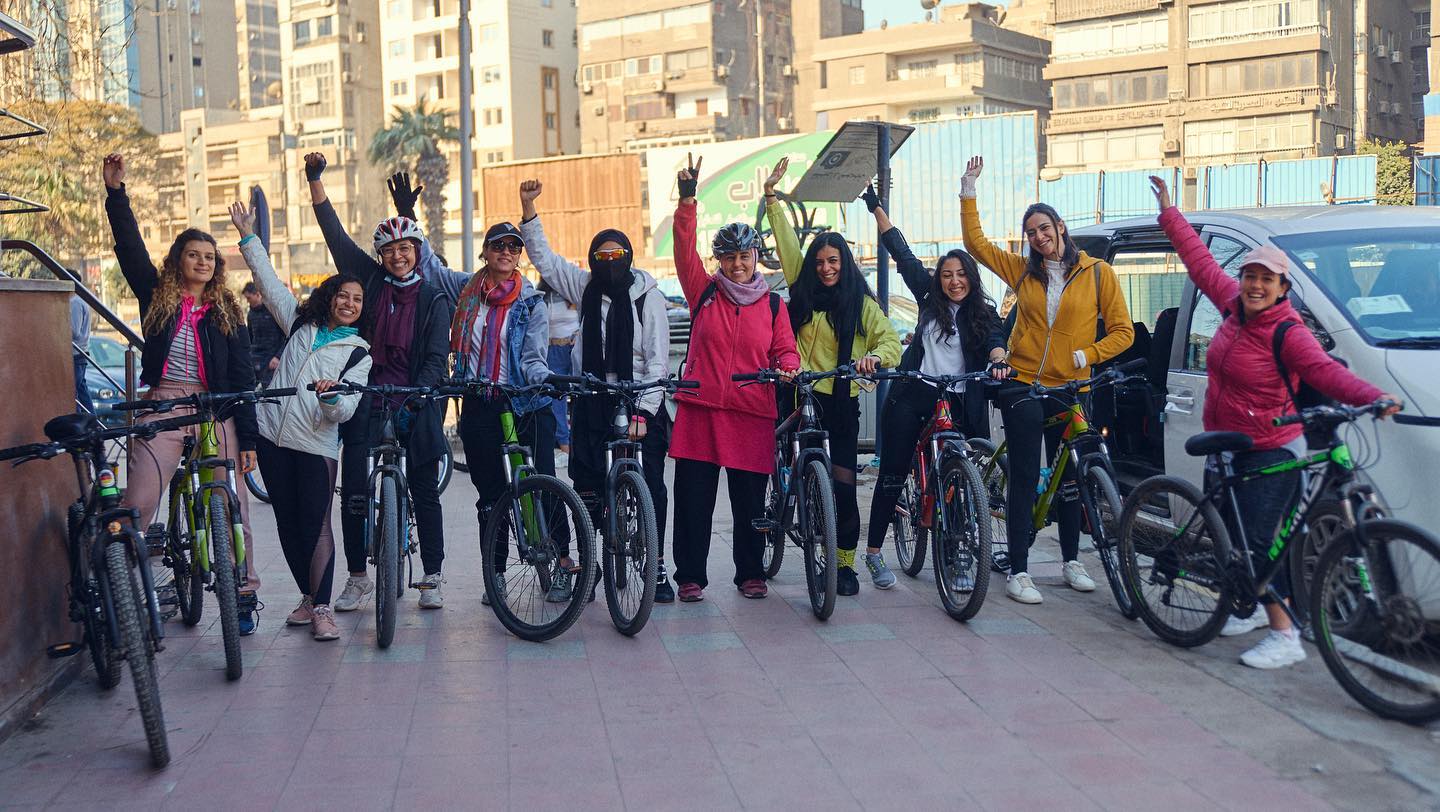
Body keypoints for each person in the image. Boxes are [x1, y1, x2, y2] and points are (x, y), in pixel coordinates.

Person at [1150, 176, 1400, 669]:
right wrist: (1169, 213)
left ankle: (1286, 636)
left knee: (1258, 543)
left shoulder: (1288, 332)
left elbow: (1325, 371)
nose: (1256, 285)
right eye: (1251, 276)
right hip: (1225, 440)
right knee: (1230, 535)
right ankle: (1248, 607)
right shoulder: (1232, 305)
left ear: (1283, 287)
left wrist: (1377, 396)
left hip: (1269, 445)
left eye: (1267, 279)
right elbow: (1200, 263)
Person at [960, 155, 1135, 606]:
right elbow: (976, 244)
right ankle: (1019, 569)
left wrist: (1088, 354)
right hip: (1023, 383)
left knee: (1073, 476)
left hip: (1071, 386)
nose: (1039, 238)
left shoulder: (1098, 273)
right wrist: (969, 189)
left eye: (1044, 228)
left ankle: (1072, 561)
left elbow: (1123, 332)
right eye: (1032, 232)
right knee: (1023, 475)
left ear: (1060, 226)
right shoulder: (1022, 270)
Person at [102, 153, 264, 633]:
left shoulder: (227, 312)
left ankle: (243, 595)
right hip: (165, 401)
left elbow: (241, 378)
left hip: (216, 409)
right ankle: (123, 593)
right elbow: (130, 248)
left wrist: (249, 441)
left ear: (217, 267)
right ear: (178, 261)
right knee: (138, 500)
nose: (202, 261)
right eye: (194, 254)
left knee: (233, 503)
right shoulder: (157, 294)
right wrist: (116, 195)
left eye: (210, 257)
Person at [304, 152, 454, 611]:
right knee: (353, 491)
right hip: (367, 397)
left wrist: (422, 393)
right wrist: (315, 181)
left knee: (425, 489)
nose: (398, 256)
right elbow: (335, 237)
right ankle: (356, 577)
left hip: (417, 396)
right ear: (380, 257)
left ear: (418, 253)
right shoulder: (368, 283)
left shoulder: (433, 297)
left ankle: (433, 574)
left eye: (406, 249)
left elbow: (434, 355)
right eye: (390, 251)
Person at [517, 180, 675, 602]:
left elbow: (659, 361)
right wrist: (529, 208)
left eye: (616, 256)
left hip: (641, 396)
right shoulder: (585, 288)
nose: (609, 263)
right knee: (585, 484)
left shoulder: (648, 296)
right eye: (601, 256)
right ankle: (590, 562)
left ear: (628, 257)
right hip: (591, 397)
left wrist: (644, 411)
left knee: (653, 485)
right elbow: (546, 263)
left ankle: (656, 566)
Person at [229, 201, 371, 641]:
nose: (349, 304)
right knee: (288, 525)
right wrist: (249, 236)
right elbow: (269, 285)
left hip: (315, 445)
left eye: (357, 300)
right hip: (273, 437)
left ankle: (324, 607)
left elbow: (345, 410)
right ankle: (308, 598)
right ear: (329, 297)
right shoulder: (299, 325)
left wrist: (331, 399)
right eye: (343, 296)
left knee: (317, 525)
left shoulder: (358, 352)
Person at [859, 184, 1010, 591]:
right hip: (916, 394)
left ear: (970, 279)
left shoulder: (983, 312)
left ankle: (958, 553)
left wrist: (998, 362)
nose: (954, 281)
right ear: (939, 279)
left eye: (961, 275)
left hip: (962, 399)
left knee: (961, 480)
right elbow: (902, 253)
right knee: (892, 473)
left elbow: (996, 341)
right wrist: (876, 208)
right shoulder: (928, 298)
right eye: (947, 275)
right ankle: (873, 554)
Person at [764, 158, 902, 597]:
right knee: (788, 455)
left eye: (833, 260)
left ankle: (844, 563)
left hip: (839, 402)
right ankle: (785, 492)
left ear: (844, 262)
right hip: (799, 397)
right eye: (819, 261)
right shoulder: (800, 288)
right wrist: (771, 197)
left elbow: (890, 342)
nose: (825, 268)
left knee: (843, 488)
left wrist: (873, 361)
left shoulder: (859, 303)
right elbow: (787, 244)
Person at [668, 155, 801, 601]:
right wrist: (689, 200)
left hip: (749, 411)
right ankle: (689, 576)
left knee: (749, 503)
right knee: (692, 503)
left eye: (744, 255)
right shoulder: (702, 290)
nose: (737, 263)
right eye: (728, 256)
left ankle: (750, 573)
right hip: (700, 410)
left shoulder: (774, 306)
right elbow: (684, 248)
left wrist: (788, 368)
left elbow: (785, 348)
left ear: (756, 257)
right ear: (719, 260)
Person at [451, 220, 559, 604]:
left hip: (523, 402)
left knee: (544, 485)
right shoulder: (467, 293)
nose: (507, 252)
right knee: (491, 499)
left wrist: (544, 379)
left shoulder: (531, 301)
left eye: (514, 247)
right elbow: (428, 266)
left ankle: (558, 566)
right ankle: (495, 574)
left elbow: (532, 356)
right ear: (486, 251)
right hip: (479, 403)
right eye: (499, 245)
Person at [542, 280, 579, 455]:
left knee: (583, 394)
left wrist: (579, 334)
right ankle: (565, 444)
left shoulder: (572, 292)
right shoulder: (542, 296)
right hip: (552, 349)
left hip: (574, 347)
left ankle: (579, 440)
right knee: (556, 399)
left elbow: (589, 317)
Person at [243, 281, 285, 386]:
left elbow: (285, 337)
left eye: (249, 298)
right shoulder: (251, 314)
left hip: (272, 358)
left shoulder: (273, 311)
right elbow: (250, 337)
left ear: (258, 294)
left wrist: (278, 357)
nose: (248, 302)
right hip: (256, 359)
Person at [71, 294, 94, 415]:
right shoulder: (81, 301)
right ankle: (92, 422)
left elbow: (74, 331)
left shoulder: (75, 302)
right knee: (81, 390)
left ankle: (81, 423)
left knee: (72, 391)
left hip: (76, 352)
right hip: (81, 351)